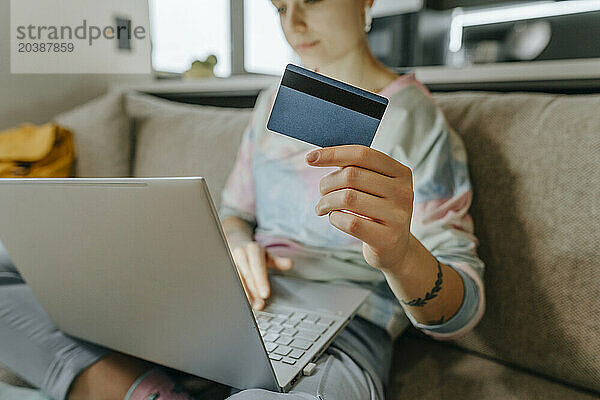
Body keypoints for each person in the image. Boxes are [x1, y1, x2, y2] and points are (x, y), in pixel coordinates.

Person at [0, 0, 485, 399]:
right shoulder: (274, 99)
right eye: (279, 7)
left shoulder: (416, 119)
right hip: (235, 307)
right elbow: (235, 214)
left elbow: (460, 312)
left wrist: (399, 255)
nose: (292, 24)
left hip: (344, 334)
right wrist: (237, 244)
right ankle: (146, 390)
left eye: (310, 1)